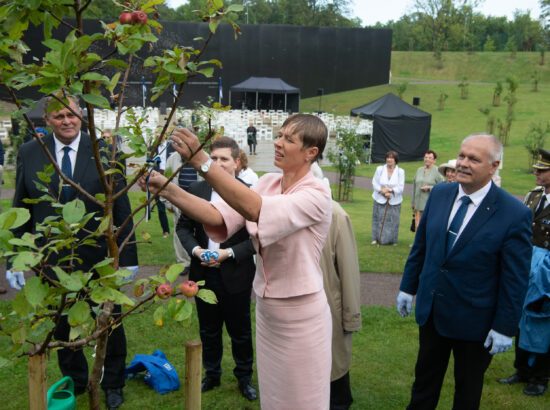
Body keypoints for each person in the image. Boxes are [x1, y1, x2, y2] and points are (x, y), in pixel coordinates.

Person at [141, 114, 333, 409]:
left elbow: (256, 210)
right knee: (274, 398)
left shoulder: (317, 193)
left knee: (303, 399)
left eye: (288, 139)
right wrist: (167, 189)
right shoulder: (268, 182)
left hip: (302, 316)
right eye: (279, 135)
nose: (277, 143)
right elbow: (218, 216)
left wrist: (203, 162)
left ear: (311, 153)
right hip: (269, 313)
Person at [9, 92, 138, 409]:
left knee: (109, 322)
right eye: (58, 116)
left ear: (81, 115)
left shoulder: (105, 152)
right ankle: (78, 380)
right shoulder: (30, 152)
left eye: (71, 114)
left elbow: (121, 208)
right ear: (47, 120)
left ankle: (113, 383)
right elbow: (21, 205)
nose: (66, 120)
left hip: (100, 259)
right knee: (62, 325)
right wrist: (14, 259)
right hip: (50, 260)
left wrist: (129, 258)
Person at [397, 134, 532, 409]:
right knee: (423, 385)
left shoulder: (513, 213)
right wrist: (407, 287)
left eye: (474, 159)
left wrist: (505, 327)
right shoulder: (440, 193)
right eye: (461, 156)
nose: (463, 163)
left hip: (476, 322)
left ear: (494, 166)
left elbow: (514, 279)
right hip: (432, 312)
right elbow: (422, 247)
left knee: (467, 393)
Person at [176, 137, 257, 400]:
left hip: (236, 273)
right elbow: (184, 227)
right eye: (214, 159)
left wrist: (228, 253)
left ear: (237, 162)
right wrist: (197, 251)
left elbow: (256, 239)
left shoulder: (249, 193)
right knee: (208, 329)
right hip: (203, 274)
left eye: (224, 159)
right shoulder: (196, 189)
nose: (218, 163)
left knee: (240, 330)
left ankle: (244, 377)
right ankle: (212, 373)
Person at [499, 147, 550, 397]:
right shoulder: (533, 195)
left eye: (542, 170)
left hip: (547, 274)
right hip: (526, 265)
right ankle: (521, 370)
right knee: (521, 317)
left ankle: (540, 376)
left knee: (542, 320)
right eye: (537, 169)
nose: (536, 173)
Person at [319, 197, 362, 410]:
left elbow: (349, 272)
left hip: (327, 312)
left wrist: (351, 317)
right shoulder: (280, 208)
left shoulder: (335, 215)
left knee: (334, 378)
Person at [162, 149, 198, 272]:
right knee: (180, 233)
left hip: (199, 201)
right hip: (179, 202)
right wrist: (167, 201)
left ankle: (197, 259)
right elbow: (166, 180)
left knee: (200, 231)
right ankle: (184, 262)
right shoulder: (172, 159)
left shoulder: (202, 157)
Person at [371, 150, 404, 245]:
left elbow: (400, 187)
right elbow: (375, 183)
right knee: (378, 218)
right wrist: (383, 192)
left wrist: (389, 191)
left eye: (391, 158)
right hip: (379, 198)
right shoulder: (379, 169)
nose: (389, 160)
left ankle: (392, 240)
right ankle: (375, 238)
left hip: (394, 200)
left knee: (393, 220)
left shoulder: (400, 172)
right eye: (388, 158)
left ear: (395, 160)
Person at [411, 150, 444, 230]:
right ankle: (417, 242)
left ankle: (426, 242)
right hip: (418, 203)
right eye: (426, 157)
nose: (427, 159)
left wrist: (430, 188)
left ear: (434, 160)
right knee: (417, 225)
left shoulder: (437, 171)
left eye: (430, 158)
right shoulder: (419, 170)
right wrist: (413, 201)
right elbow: (414, 185)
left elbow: (442, 186)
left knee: (426, 225)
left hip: (429, 204)